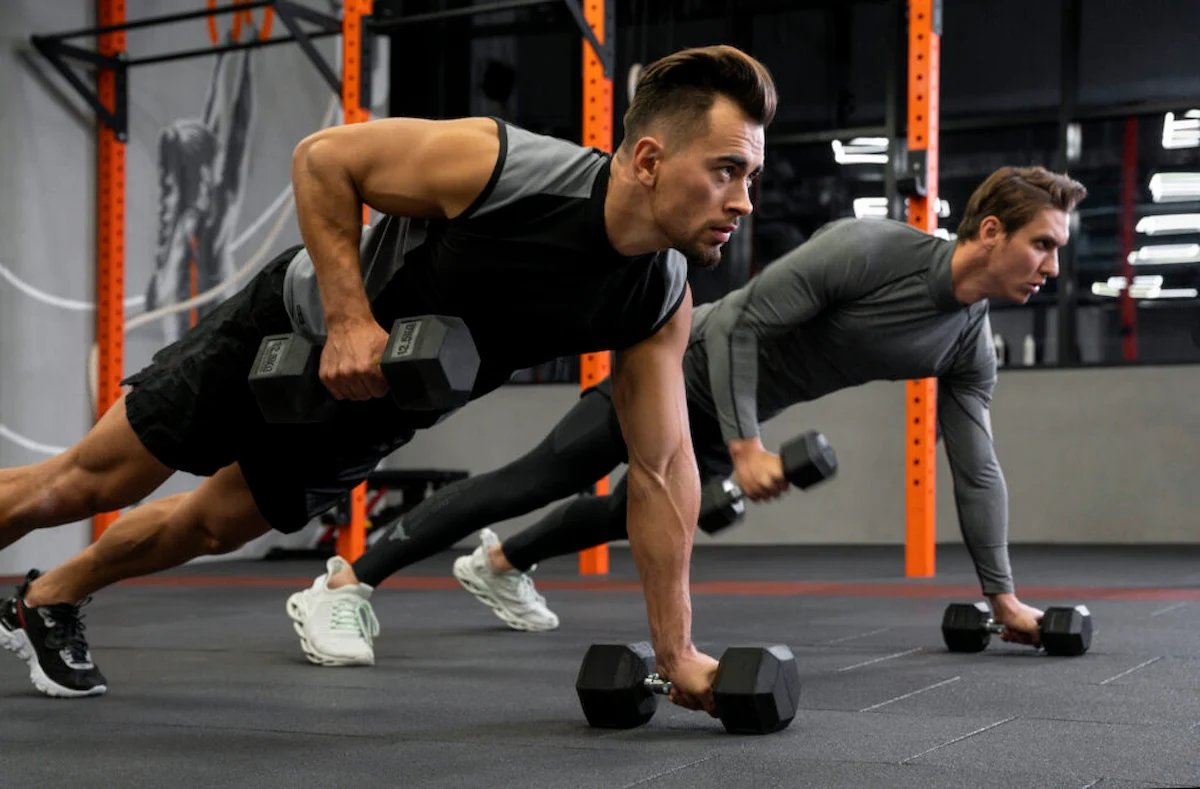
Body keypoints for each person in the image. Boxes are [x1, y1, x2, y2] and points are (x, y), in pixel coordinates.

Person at [0, 45, 777, 708]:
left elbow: (662, 465)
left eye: (751, 176)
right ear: (649, 160)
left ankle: (49, 596)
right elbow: (324, 158)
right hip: (291, 328)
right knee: (86, 483)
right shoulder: (506, 166)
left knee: (211, 524)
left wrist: (675, 653)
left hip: (378, 405)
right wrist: (347, 318)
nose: (744, 200)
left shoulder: (658, 298)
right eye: (727, 171)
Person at [285, 166, 1088, 665]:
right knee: (546, 472)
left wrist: (1003, 595)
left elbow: (977, 466)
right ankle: (345, 580)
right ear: (991, 231)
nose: (1053, 266)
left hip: (734, 410)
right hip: (676, 361)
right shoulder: (871, 249)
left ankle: (499, 564)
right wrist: (746, 446)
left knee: (636, 511)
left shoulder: (968, 346)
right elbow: (739, 321)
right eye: (1045, 245)